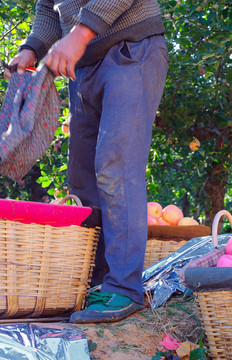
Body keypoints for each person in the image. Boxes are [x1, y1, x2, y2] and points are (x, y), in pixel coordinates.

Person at [5, 0, 169, 323]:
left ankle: (124, 287)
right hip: (83, 68)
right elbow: (49, 8)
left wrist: (80, 34)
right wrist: (33, 48)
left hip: (130, 49)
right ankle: (95, 284)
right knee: (82, 179)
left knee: (115, 166)